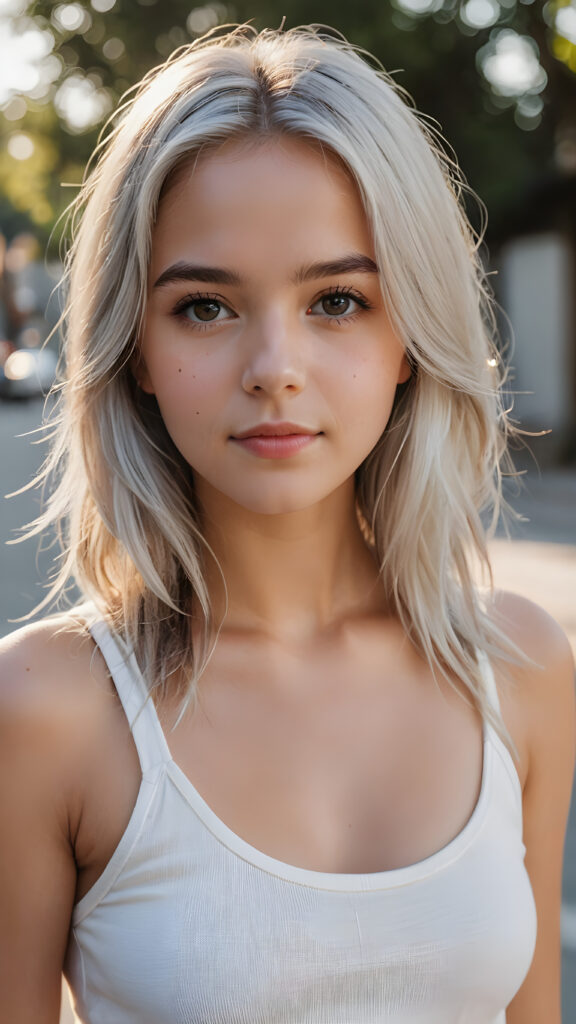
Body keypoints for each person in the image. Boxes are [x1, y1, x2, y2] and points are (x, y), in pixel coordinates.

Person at [0, 24, 573, 1024]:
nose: (275, 368)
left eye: (338, 300)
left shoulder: (522, 667)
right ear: (137, 347)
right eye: (205, 307)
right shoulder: (48, 711)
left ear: (410, 335)